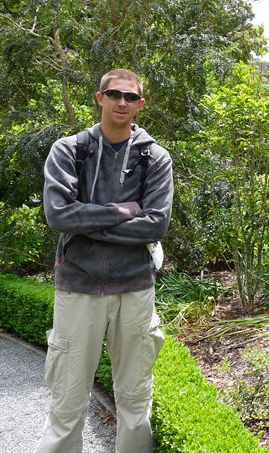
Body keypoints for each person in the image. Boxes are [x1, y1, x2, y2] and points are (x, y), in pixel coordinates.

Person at [37, 69, 173, 453]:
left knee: (134, 401)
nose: (122, 102)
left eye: (130, 97)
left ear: (140, 104)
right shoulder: (69, 150)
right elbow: (59, 216)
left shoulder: (155, 158)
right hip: (78, 287)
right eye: (114, 94)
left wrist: (90, 220)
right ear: (100, 98)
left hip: (135, 289)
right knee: (66, 401)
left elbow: (156, 224)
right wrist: (123, 211)